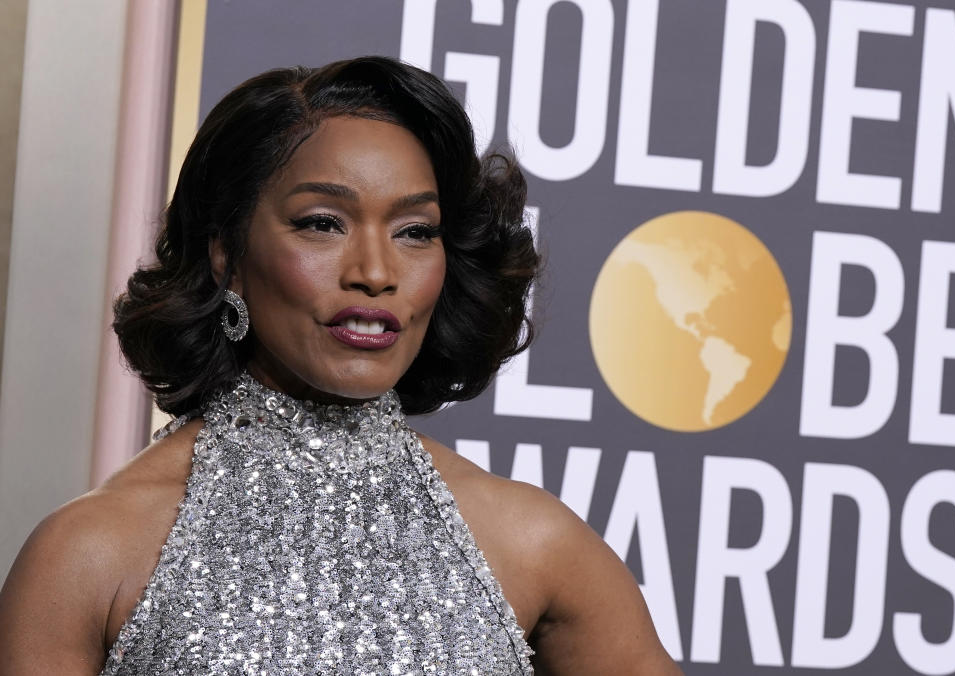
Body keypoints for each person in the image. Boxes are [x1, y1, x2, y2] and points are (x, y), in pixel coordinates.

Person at [0, 57, 682, 675]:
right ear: (225, 254)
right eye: (323, 222)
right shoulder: (89, 554)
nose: (376, 273)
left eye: (415, 232)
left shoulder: (534, 543)